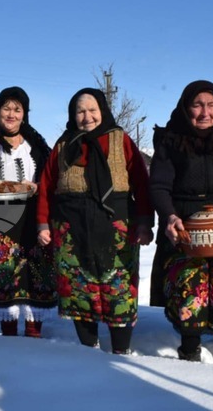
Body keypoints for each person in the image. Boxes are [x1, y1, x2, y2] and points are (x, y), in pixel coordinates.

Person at [37, 88, 153, 354]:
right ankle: (88, 350)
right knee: (79, 289)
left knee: (119, 289)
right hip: (70, 227)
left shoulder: (120, 140)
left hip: (116, 227)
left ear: (103, 111)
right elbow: (46, 186)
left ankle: (121, 351)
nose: (86, 116)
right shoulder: (63, 145)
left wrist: (145, 222)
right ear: (72, 115)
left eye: (92, 110)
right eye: (80, 111)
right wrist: (43, 223)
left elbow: (141, 183)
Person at [148, 81, 213, 365]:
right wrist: (169, 215)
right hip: (183, 223)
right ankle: (190, 347)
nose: (205, 112)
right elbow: (158, 186)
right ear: (186, 108)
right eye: (197, 105)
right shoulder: (171, 141)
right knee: (190, 285)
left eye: (211, 105)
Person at [0, 87, 57, 337]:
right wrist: (0, 188)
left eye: (17, 109)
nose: (11, 114)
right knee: (3, 278)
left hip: (34, 218)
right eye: (6, 108)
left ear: (24, 114)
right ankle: (8, 337)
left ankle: (33, 332)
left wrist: (36, 187)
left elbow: (51, 180)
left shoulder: (37, 145)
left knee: (36, 275)